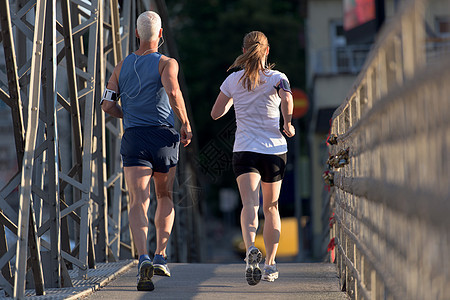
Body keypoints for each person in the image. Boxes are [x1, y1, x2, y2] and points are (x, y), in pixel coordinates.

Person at [101, 11, 192, 291]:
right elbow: (174, 93)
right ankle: (160, 256)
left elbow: (106, 105)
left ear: (137, 34)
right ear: (161, 35)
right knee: (164, 195)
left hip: (135, 138)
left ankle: (142, 257)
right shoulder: (167, 63)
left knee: (138, 200)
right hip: (163, 137)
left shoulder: (120, 66)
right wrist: (186, 124)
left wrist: (126, 114)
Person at [211, 31, 295, 286]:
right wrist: (288, 123)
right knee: (272, 208)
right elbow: (288, 98)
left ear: (245, 51)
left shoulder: (233, 80)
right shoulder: (278, 78)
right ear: (267, 51)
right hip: (273, 150)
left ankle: (249, 250)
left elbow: (216, 113)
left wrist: (233, 101)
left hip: (245, 149)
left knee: (250, 205)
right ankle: (270, 264)